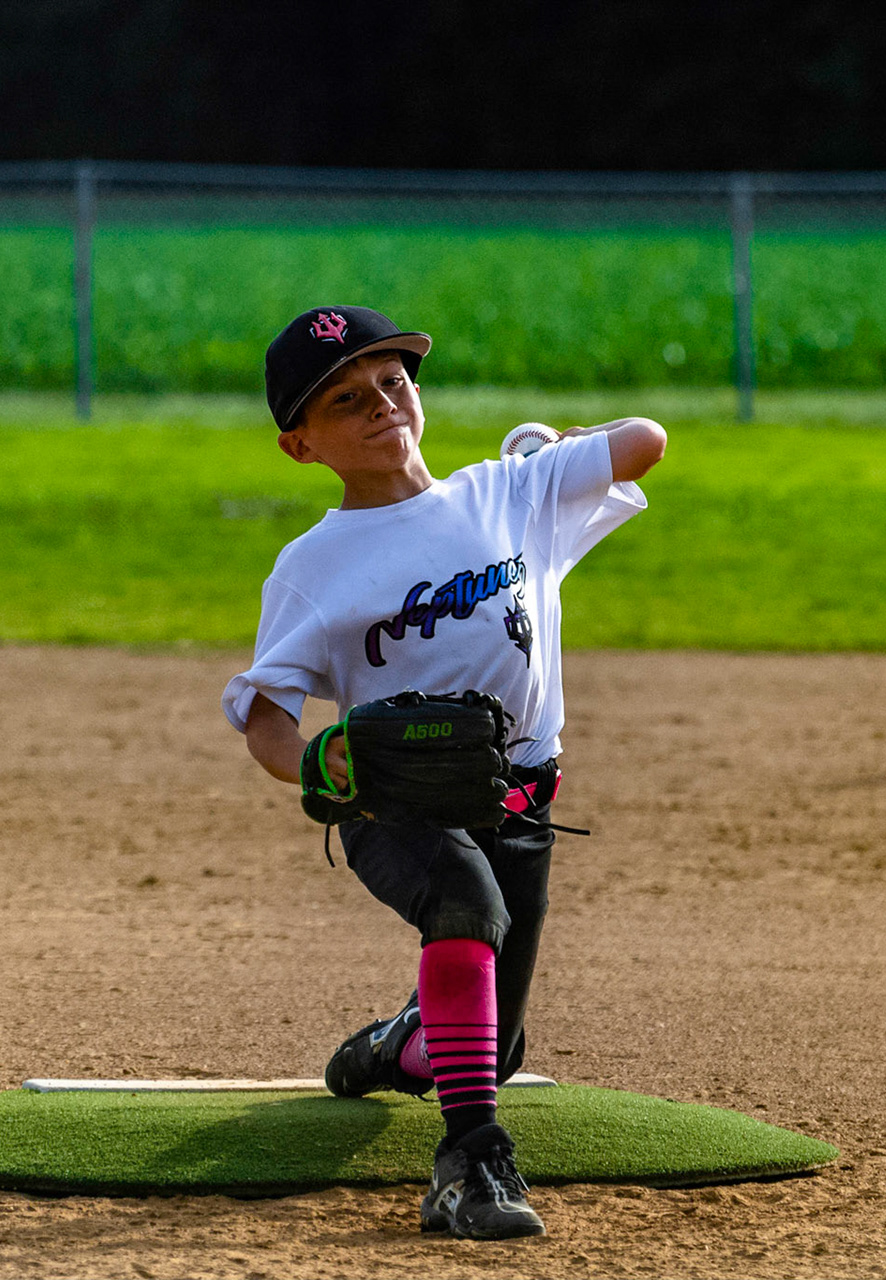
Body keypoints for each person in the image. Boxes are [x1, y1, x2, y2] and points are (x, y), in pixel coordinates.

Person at [221, 304, 665, 1240]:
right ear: (300, 445)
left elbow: (646, 442)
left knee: (485, 1047)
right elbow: (267, 715)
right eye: (346, 400)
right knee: (466, 906)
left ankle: (403, 1042)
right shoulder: (311, 566)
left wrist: (564, 450)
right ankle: (468, 1166)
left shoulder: (507, 492)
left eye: (393, 381)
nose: (381, 404)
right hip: (394, 803)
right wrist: (315, 765)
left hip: (519, 797)